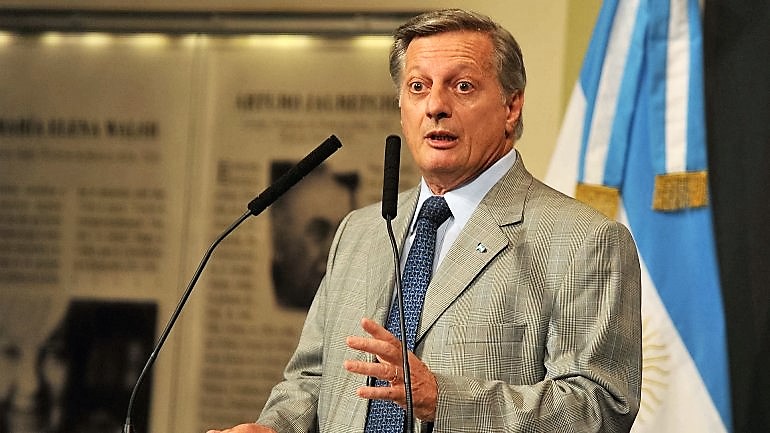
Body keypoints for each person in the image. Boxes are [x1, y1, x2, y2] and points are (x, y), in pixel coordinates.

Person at [207, 8, 641, 433]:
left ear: (511, 106)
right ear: (402, 107)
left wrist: (444, 399)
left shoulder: (585, 241)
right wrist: (274, 428)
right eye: (418, 87)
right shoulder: (359, 231)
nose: (435, 106)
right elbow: (311, 379)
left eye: (463, 86)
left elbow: (599, 409)